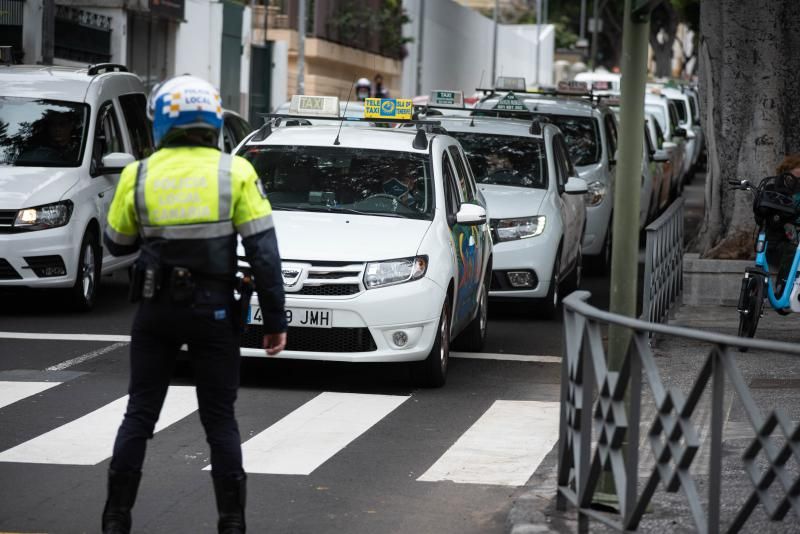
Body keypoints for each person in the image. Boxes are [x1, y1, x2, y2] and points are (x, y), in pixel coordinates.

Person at [101, 75, 287, 534]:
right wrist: (275, 320)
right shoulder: (235, 171)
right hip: (215, 310)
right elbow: (264, 254)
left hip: (155, 307)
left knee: (140, 414)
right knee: (220, 419)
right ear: (213, 120)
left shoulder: (137, 174)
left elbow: (116, 239)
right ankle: (232, 524)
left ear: (161, 123)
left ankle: (114, 520)